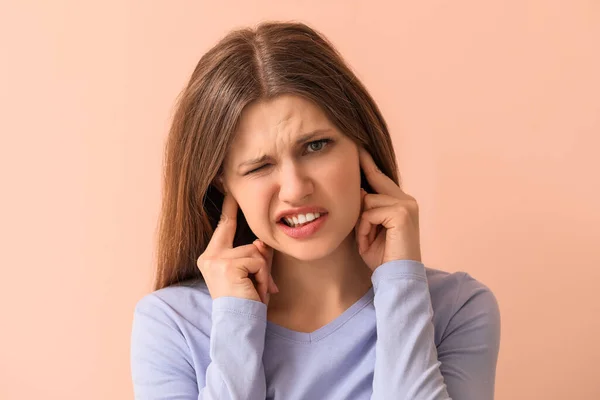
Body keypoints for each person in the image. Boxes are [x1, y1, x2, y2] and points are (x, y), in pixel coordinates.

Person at [130, 21, 501, 400]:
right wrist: (236, 325)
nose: (295, 189)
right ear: (223, 183)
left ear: (361, 143)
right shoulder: (172, 325)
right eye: (259, 167)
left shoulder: (456, 310)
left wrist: (401, 287)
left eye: (316, 146)